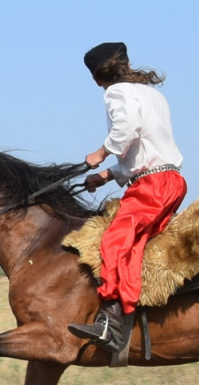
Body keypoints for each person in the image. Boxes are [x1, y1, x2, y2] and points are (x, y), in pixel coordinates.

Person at [68, 42, 187, 352]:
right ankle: (126, 312)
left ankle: (110, 321)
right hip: (168, 180)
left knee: (114, 241)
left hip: (152, 185)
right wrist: (107, 176)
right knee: (132, 247)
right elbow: (145, 151)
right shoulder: (152, 94)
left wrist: (101, 152)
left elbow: (127, 130)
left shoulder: (115, 93)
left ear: (96, 78)